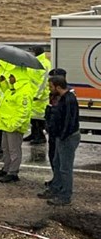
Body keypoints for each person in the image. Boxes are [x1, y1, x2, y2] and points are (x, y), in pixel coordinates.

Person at [39, 75, 79, 206]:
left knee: (65, 168)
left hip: (67, 137)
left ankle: (65, 195)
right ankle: (56, 188)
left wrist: (62, 136)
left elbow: (69, 121)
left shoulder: (69, 100)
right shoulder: (60, 98)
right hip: (60, 137)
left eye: (51, 87)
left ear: (58, 86)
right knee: (57, 163)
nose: (49, 89)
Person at [0, 66, 33, 183]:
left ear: (18, 78)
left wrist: (14, 124)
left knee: (14, 150)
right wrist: (2, 82)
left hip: (13, 126)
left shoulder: (25, 91)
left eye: (11, 77)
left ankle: (13, 172)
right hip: (7, 124)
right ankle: (6, 168)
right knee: (6, 148)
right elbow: (9, 94)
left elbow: (24, 111)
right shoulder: (15, 89)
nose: (9, 78)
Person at [24, 46, 52, 144]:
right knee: (32, 118)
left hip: (40, 97)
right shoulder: (32, 63)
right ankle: (34, 134)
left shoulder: (45, 64)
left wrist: (38, 95)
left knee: (39, 119)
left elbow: (44, 82)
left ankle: (40, 137)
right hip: (31, 95)